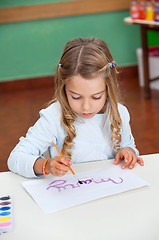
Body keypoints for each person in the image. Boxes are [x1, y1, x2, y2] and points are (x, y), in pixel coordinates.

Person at [7, 37, 144, 178]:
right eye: (76, 97)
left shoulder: (120, 113)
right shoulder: (53, 117)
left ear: (109, 89)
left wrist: (128, 152)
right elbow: (15, 158)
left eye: (96, 97)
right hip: (69, 193)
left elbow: (129, 146)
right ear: (64, 88)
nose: (86, 107)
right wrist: (45, 165)